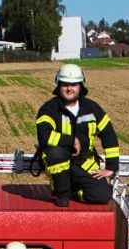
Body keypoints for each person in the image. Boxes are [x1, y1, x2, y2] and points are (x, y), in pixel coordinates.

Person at [34, 63, 121, 207]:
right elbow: (44, 136)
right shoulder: (49, 109)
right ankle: (61, 193)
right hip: (58, 162)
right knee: (55, 153)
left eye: (73, 84)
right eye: (65, 84)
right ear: (58, 85)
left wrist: (111, 167)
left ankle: (73, 192)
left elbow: (109, 136)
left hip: (85, 163)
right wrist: (71, 141)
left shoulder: (93, 108)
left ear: (81, 86)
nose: (69, 89)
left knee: (102, 196)